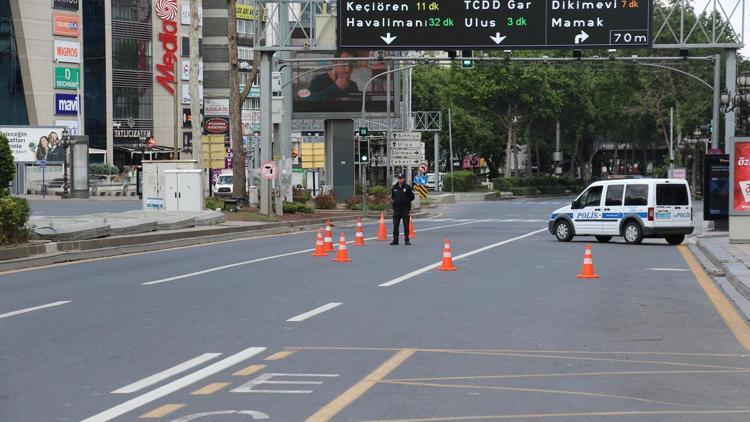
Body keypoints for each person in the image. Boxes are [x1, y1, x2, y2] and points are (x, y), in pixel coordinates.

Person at [390, 174, 415, 246]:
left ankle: (406, 240)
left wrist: (406, 201)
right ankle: (395, 240)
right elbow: (393, 197)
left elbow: (412, 197)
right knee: (395, 225)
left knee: (406, 225)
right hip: (396, 209)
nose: (400, 180)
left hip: (405, 209)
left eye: (401, 178)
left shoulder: (407, 187)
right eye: (398, 178)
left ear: (404, 179)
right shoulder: (394, 187)